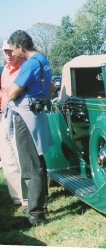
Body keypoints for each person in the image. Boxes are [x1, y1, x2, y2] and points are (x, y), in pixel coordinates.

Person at [5, 30, 54, 227]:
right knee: (39, 162)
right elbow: (51, 88)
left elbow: (11, 92)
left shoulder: (30, 64)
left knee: (30, 166)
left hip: (25, 117)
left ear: (20, 47)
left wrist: (16, 92)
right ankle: (42, 204)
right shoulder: (43, 60)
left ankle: (35, 214)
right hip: (37, 115)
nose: (13, 54)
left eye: (13, 49)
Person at [0, 39, 28, 211]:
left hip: (19, 116)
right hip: (4, 116)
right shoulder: (5, 70)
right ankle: (17, 198)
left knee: (20, 155)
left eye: (10, 51)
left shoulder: (25, 67)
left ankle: (27, 198)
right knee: (8, 157)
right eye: (5, 52)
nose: (8, 55)